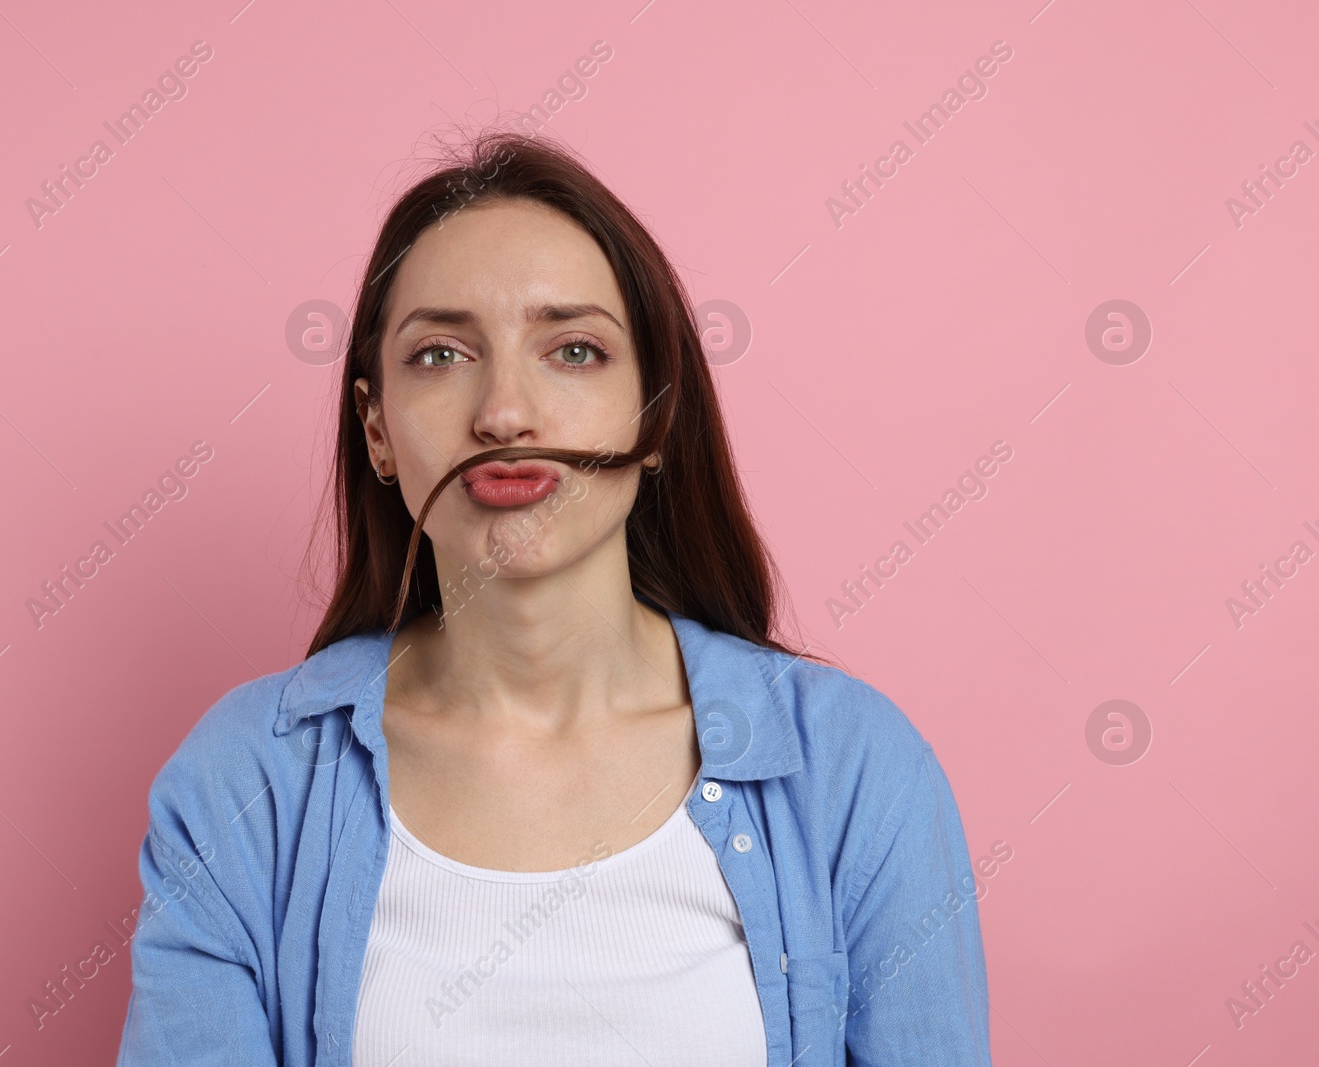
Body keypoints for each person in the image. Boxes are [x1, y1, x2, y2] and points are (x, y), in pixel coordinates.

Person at [115, 128, 991, 1066]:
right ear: (377, 429)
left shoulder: (857, 771)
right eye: (441, 356)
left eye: (572, 350)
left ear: (655, 416)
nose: (504, 412)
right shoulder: (242, 787)